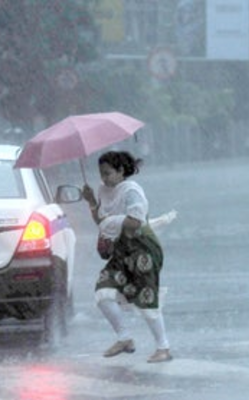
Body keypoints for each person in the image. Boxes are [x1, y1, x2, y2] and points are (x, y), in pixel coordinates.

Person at [82, 150, 172, 363]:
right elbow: (102, 221)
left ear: (121, 171)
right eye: (101, 174)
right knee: (103, 291)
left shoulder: (132, 191)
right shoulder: (103, 190)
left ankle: (163, 347)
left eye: (108, 173)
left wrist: (112, 222)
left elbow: (135, 222)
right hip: (121, 250)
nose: (104, 178)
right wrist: (91, 201)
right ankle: (124, 338)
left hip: (142, 249)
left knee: (146, 297)